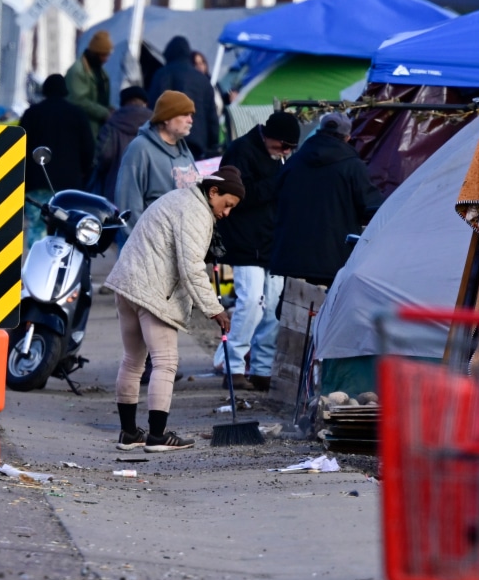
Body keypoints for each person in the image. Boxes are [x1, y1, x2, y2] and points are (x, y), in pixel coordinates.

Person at [105, 166, 244, 451]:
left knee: (133, 361)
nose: (226, 212)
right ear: (213, 191)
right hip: (155, 293)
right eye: (227, 204)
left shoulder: (177, 199)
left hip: (128, 285)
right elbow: (191, 268)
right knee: (165, 363)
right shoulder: (195, 212)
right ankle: (157, 437)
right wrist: (215, 308)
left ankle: (129, 433)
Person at [213, 110, 299, 391]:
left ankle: (262, 369)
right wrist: (279, 182)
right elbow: (237, 196)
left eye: (289, 148)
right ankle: (233, 367)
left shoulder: (281, 158)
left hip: (271, 243)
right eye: (282, 146)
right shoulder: (241, 151)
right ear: (268, 136)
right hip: (246, 242)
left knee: (272, 307)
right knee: (250, 303)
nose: (284, 151)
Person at [270, 112, 381, 288]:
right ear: (347, 137)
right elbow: (371, 205)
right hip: (333, 259)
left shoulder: (294, 162)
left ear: (319, 131)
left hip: (291, 258)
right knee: (327, 313)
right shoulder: (353, 166)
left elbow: (274, 199)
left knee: (293, 312)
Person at [19, 73, 96, 248]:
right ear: (65, 91)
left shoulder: (32, 113)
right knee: (67, 226)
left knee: (38, 225)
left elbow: (19, 146)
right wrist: (83, 172)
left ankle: (36, 264)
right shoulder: (77, 114)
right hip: (69, 185)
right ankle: (61, 266)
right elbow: (89, 148)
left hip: (35, 183)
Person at [114, 90, 198, 235]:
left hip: (181, 244)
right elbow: (128, 206)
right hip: (148, 247)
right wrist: (141, 245)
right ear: (166, 118)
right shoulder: (140, 149)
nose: (190, 120)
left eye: (191, 115)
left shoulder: (185, 151)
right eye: (185, 115)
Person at [148, 36, 220, 160]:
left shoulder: (161, 74)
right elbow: (212, 117)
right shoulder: (203, 79)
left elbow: (153, 110)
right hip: (198, 145)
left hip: (168, 141)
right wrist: (213, 145)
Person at [92, 86, 152, 200]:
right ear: (145, 103)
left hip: (116, 191)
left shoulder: (112, 124)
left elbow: (104, 155)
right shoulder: (156, 125)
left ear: (123, 104)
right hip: (148, 192)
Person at [66, 29, 114, 139]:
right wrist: (104, 112)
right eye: (103, 55)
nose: (106, 59)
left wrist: (110, 109)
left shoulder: (101, 73)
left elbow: (100, 99)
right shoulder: (77, 71)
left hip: (96, 130)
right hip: (81, 131)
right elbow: (77, 100)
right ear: (95, 53)